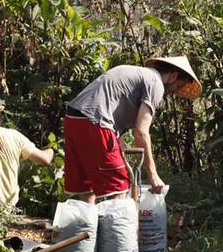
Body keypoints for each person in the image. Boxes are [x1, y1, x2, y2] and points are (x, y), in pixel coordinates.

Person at [64, 56, 201, 204]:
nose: (175, 92)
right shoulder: (156, 84)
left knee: (87, 186)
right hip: (96, 121)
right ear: (173, 76)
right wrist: (153, 175)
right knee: (118, 186)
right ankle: (117, 227)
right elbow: (141, 133)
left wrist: (119, 153)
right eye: (178, 86)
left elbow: (114, 114)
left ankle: (85, 226)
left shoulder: (138, 74)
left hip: (73, 119)